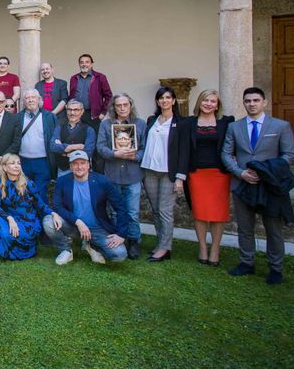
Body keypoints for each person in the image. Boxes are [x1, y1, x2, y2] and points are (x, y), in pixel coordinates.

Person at [222, 87, 294, 285]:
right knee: (245, 227)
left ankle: (275, 268)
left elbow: (289, 155)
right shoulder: (235, 127)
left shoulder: (280, 126)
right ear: (244, 103)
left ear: (264, 102)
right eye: (248, 101)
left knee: (273, 228)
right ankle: (247, 262)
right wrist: (241, 173)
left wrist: (267, 172)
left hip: (270, 185)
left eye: (256, 100)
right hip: (243, 183)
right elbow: (226, 154)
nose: (252, 104)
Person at [43, 150, 129, 265]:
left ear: (88, 165)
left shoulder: (102, 181)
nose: (79, 167)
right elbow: (57, 206)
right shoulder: (62, 181)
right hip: (73, 225)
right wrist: (78, 222)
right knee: (48, 221)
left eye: (82, 163)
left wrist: (121, 234)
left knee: (119, 254)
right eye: (75, 163)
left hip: (97, 228)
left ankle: (92, 246)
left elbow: (121, 206)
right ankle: (65, 250)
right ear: (71, 166)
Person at [181, 89, 234, 266]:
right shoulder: (189, 123)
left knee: (218, 214)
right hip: (197, 174)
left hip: (219, 174)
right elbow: (184, 149)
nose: (208, 104)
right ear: (199, 102)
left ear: (217, 105)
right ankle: (203, 248)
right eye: (205, 100)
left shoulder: (225, 123)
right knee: (200, 212)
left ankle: (215, 249)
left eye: (212, 101)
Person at [141, 87, 188, 262]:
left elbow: (184, 152)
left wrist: (180, 177)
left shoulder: (181, 123)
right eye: (161, 98)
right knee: (155, 210)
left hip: (169, 172)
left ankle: (165, 248)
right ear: (157, 101)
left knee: (165, 210)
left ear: (174, 101)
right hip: (150, 170)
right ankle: (161, 243)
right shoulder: (152, 120)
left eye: (168, 97)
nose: (164, 101)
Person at [96, 93, 146, 259]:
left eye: (125, 104)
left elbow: (145, 148)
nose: (122, 108)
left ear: (130, 105)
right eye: (119, 105)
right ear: (114, 107)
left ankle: (133, 241)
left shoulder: (140, 124)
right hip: (113, 174)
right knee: (116, 211)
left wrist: (135, 156)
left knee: (132, 212)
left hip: (133, 174)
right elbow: (100, 147)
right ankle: (119, 239)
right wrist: (114, 153)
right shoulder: (106, 125)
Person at [0, 154, 53, 260]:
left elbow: (41, 205)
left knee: (7, 234)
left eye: (19, 163)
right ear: (5, 167)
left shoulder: (28, 184)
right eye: (12, 163)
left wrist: (53, 214)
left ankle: (2, 245)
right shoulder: (0, 183)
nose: (17, 166)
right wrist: (9, 218)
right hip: (13, 220)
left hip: (29, 224)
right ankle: (3, 243)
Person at [13, 89, 57, 205]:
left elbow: (54, 138)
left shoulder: (49, 117)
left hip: (42, 161)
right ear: (23, 101)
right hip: (23, 161)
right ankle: (27, 219)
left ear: (39, 100)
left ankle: (43, 218)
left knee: (41, 192)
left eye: (33, 97)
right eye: (27, 98)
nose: (30, 100)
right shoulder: (17, 117)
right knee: (23, 191)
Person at [50, 99, 96, 177]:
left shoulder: (89, 129)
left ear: (82, 111)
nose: (72, 113)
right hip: (63, 170)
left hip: (82, 170)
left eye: (76, 110)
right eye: (69, 110)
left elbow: (88, 152)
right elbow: (53, 147)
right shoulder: (59, 127)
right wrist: (76, 147)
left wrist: (64, 151)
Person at [68, 53, 112, 134]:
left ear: (92, 64)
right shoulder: (74, 78)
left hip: (93, 115)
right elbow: (71, 96)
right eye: (81, 62)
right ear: (79, 64)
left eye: (87, 62)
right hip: (77, 115)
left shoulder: (100, 77)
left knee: (93, 140)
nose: (84, 64)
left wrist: (103, 113)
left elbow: (109, 96)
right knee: (78, 139)